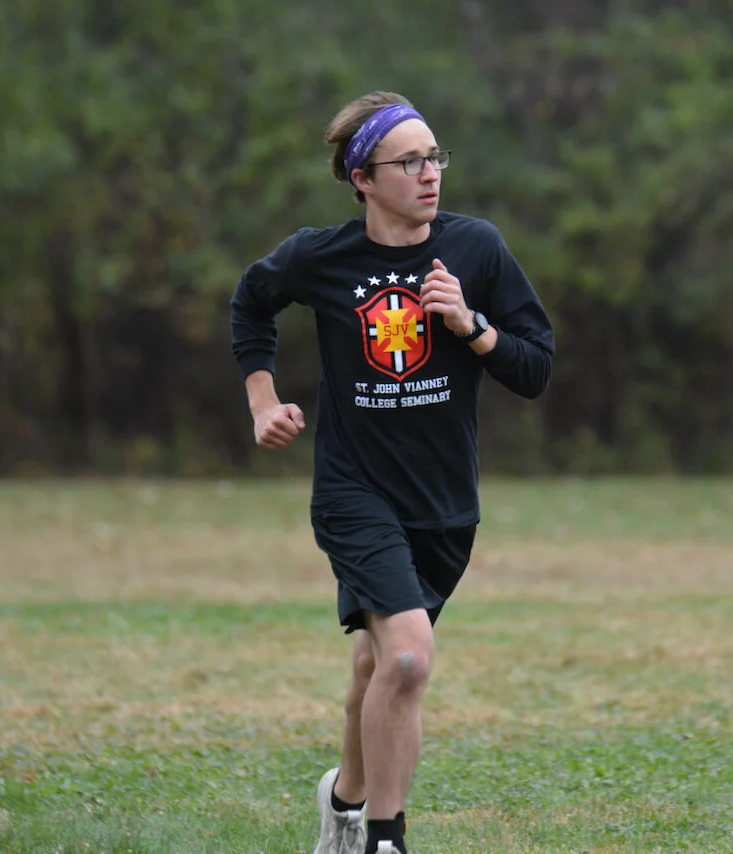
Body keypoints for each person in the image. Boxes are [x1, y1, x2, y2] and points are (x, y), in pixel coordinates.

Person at [229, 91, 555, 854]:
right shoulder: (322, 257)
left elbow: (536, 368)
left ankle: (343, 801)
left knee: (377, 665)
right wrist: (262, 400)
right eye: (409, 162)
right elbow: (252, 302)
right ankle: (385, 840)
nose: (430, 173)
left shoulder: (476, 249)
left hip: (445, 504)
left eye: (434, 157)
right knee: (407, 658)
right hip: (355, 492)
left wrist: (471, 326)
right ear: (363, 180)